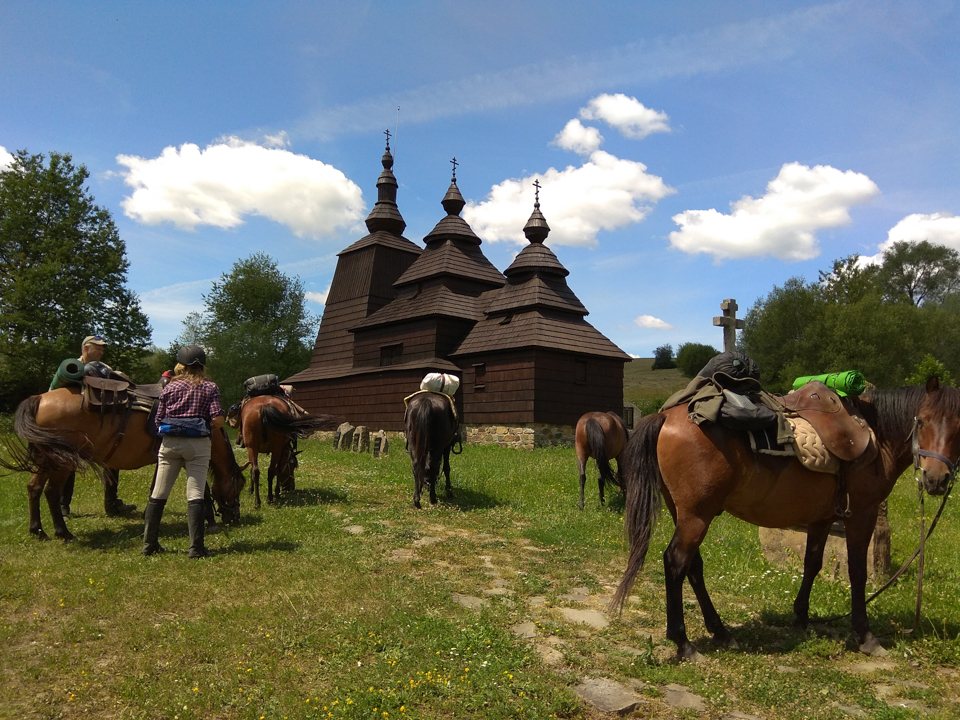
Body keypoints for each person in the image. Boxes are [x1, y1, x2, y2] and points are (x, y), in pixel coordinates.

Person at [142, 345, 224, 558]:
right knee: (195, 493)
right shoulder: (210, 387)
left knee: (159, 493)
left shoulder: (169, 387)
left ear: (181, 365)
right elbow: (217, 419)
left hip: (169, 443)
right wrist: (207, 426)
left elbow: (158, 419)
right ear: (202, 366)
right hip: (197, 445)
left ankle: (149, 544)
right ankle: (196, 548)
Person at [56, 335, 137, 518]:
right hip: (77, 423)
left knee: (112, 461)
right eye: (98, 348)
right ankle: (63, 506)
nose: (101, 351)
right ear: (86, 348)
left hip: (101, 423)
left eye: (102, 349)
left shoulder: (104, 369)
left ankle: (112, 504)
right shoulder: (71, 368)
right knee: (69, 462)